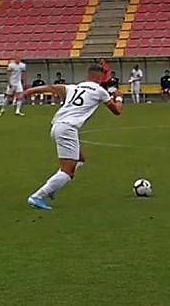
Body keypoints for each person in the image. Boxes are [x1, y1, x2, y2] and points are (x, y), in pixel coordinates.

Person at [26, 64, 123, 211]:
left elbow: (52, 87)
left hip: (57, 126)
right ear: (100, 76)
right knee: (67, 171)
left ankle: (54, 186)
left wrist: (29, 91)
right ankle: (38, 196)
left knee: (80, 159)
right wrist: (119, 99)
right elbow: (117, 111)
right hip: (68, 129)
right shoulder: (100, 91)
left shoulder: (74, 87)